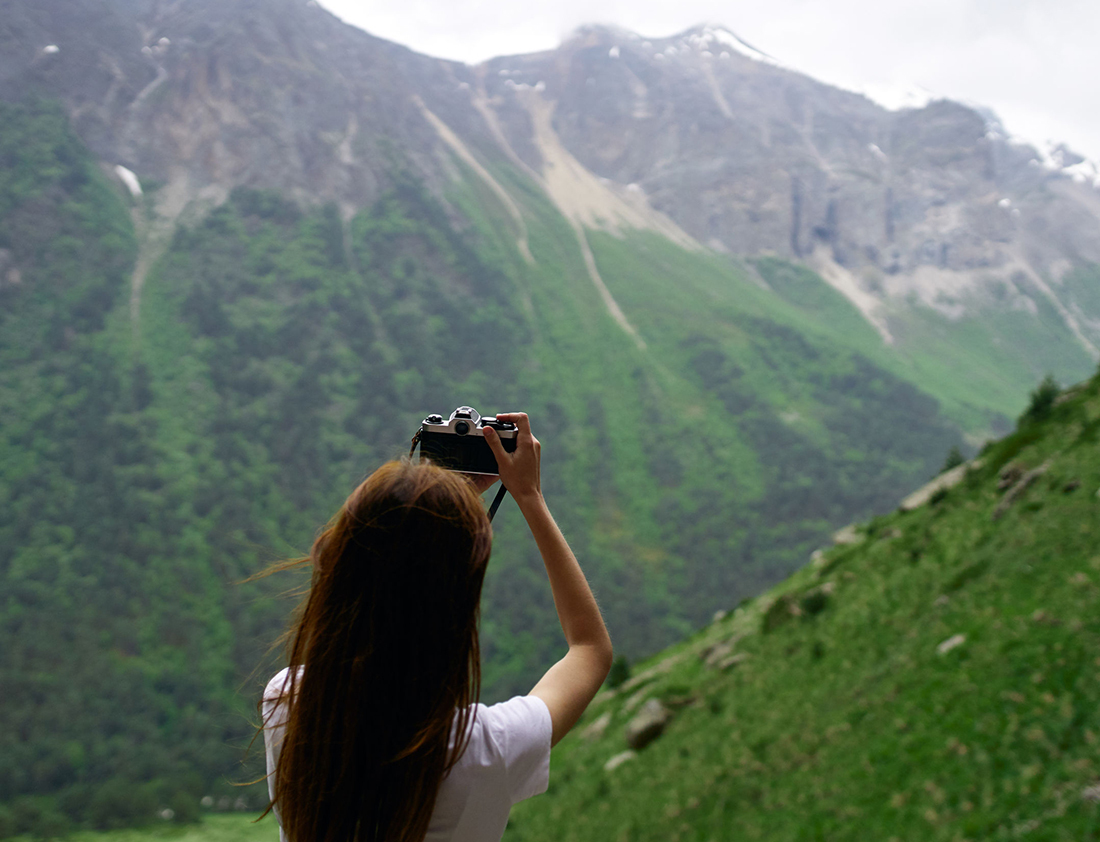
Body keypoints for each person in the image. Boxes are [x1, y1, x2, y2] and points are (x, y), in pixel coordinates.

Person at [260, 412, 613, 842]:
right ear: (455, 609)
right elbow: (590, 648)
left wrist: (432, 500)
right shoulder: (487, 750)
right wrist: (528, 495)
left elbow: (367, 574)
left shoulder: (288, 704)